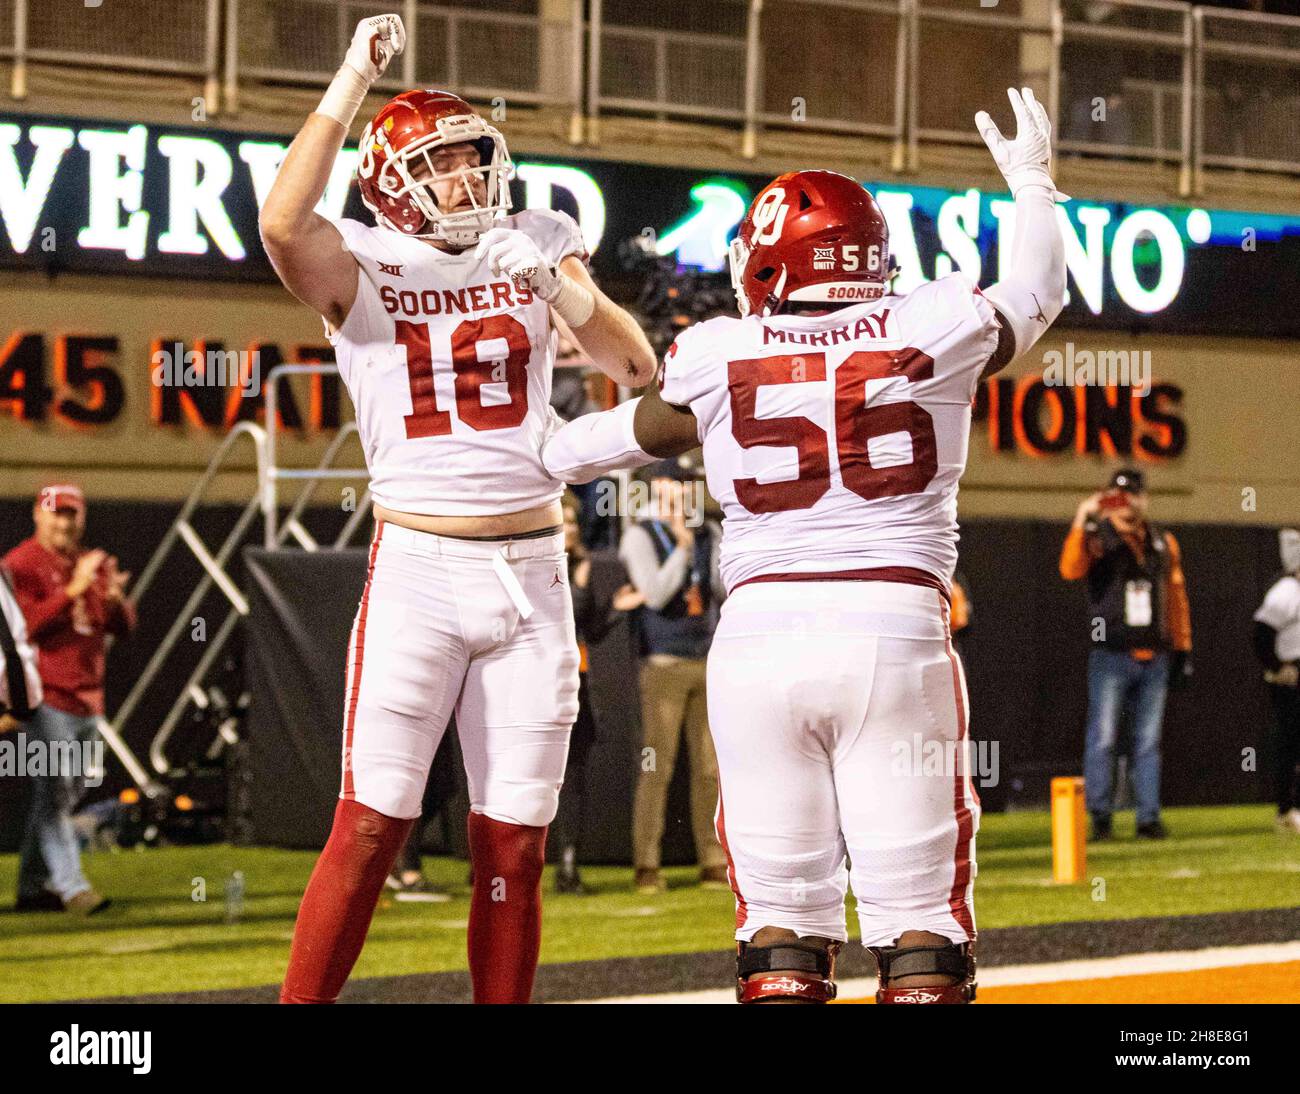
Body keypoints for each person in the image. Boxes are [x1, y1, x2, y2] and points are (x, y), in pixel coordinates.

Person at [543, 89, 1067, 1003]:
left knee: (779, 930)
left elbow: (632, 432)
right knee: (921, 932)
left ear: (776, 260)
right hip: (891, 632)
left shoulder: (717, 349)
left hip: (758, 642)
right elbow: (1037, 293)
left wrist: (536, 451)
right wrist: (1031, 188)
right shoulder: (933, 322)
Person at [261, 14, 655, 1004]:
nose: (472, 184)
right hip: (419, 571)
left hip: (531, 573)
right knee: (368, 823)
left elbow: (638, 368)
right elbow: (279, 219)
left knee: (514, 846)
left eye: (480, 164)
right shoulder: (358, 262)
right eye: (447, 168)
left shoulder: (530, 243)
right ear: (394, 182)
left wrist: (562, 297)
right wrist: (352, 73)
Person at [5, 484, 133, 915]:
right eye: (56, 514)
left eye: (71, 514)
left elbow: (121, 627)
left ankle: (31, 888)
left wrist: (115, 601)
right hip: (44, 694)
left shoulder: (87, 562)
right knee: (57, 789)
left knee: (62, 792)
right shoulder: (20, 564)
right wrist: (72, 590)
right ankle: (73, 887)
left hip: (87, 696)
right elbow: (20, 627)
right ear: (37, 516)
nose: (63, 522)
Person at [1060, 468, 1192, 841]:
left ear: (1144, 497)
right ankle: (1100, 815)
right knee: (1103, 737)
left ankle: (1147, 816)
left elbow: (1177, 599)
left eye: (1132, 494)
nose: (1128, 502)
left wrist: (1182, 648)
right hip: (1111, 653)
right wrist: (1083, 516)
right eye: (1118, 496)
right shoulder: (1098, 538)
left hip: (1154, 653)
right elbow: (1070, 569)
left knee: (1148, 741)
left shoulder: (1162, 541)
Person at [620, 459, 728, 893]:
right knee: (656, 765)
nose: (687, 494)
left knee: (710, 768)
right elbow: (659, 592)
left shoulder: (711, 531)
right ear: (658, 488)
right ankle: (647, 863)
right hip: (663, 662)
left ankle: (713, 859)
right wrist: (682, 549)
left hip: (708, 656)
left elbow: (723, 587)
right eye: (679, 486)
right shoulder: (639, 535)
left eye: (689, 487)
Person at [551, 492, 642, 893]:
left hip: (575, 682)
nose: (570, 529)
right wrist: (583, 588)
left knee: (574, 775)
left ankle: (568, 864)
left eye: (573, 522)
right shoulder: (535, 564)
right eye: (563, 521)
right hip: (538, 682)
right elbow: (557, 620)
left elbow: (589, 629)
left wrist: (615, 608)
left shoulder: (582, 565)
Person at [1253, 528, 1300, 833]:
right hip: (1291, 677)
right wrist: (1276, 666)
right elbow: (1261, 633)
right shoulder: (1285, 591)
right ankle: (1286, 810)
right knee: (1291, 743)